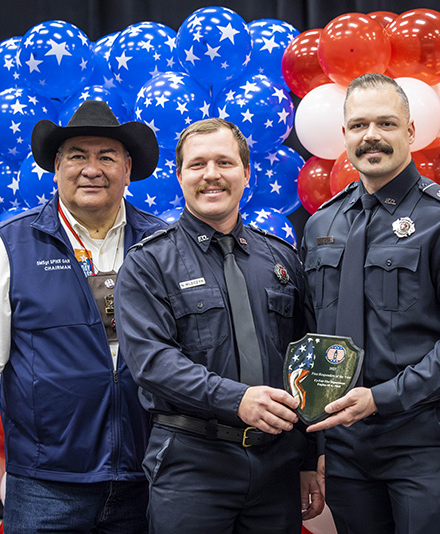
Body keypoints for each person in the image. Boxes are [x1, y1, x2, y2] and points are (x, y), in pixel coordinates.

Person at [0, 100, 166, 532]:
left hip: (148, 474)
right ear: (57, 165)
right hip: (47, 482)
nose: (92, 168)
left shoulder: (160, 243)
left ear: (128, 168)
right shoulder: (14, 243)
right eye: (78, 155)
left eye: (107, 157)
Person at [300, 73, 440, 534]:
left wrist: (383, 397)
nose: (371, 136)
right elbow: (309, 334)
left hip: (422, 434)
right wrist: (315, 444)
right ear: (344, 135)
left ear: (410, 132)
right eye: (359, 125)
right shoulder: (323, 223)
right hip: (344, 439)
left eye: (386, 124)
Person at [114, 118, 323, 533]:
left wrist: (304, 457)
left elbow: (307, 356)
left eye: (224, 162)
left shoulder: (281, 259)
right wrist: (237, 399)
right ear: (179, 176)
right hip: (191, 465)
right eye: (197, 165)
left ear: (247, 173)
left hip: (276, 465)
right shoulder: (148, 263)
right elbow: (152, 363)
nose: (211, 175)